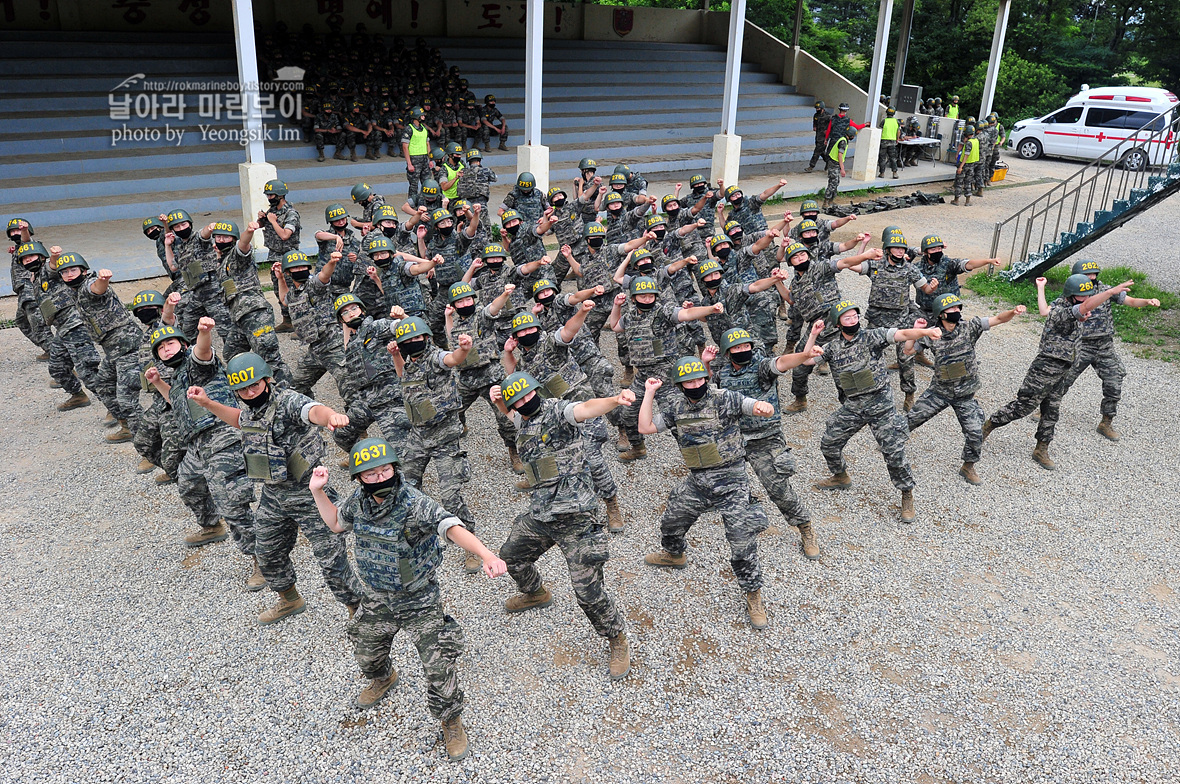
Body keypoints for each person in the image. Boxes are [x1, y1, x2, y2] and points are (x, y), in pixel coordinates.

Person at [309, 439, 507, 762]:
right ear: (359, 478)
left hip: (419, 600)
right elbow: (334, 523)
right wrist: (318, 490)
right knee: (366, 652)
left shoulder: (414, 503)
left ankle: (451, 720)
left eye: (385, 470)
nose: (380, 478)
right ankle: (384, 677)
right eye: (370, 474)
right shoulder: (358, 503)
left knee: (439, 665)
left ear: (395, 468)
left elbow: (450, 526)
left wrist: (484, 553)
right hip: (377, 598)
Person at [187, 352, 363, 626]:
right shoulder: (250, 410)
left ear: (267, 380)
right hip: (274, 496)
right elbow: (239, 420)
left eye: (254, 385)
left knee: (331, 558)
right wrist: (208, 403)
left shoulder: (288, 401)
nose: (249, 392)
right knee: (267, 552)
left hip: (310, 494)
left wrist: (330, 416)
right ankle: (290, 599)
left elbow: (313, 410)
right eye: (243, 389)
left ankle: (357, 609)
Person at [489, 372, 633, 681]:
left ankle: (616, 638)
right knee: (511, 556)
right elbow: (513, 416)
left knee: (588, 593)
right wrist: (501, 402)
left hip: (577, 518)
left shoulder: (558, 411)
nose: (526, 402)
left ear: (536, 391)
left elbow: (584, 409)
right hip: (542, 515)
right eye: (519, 401)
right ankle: (535, 592)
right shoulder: (523, 422)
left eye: (528, 395)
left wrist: (613, 400)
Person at [639, 358, 777, 629]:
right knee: (671, 522)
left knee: (741, 542)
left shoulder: (724, 398)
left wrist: (762, 407)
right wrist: (649, 393)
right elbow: (645, 427)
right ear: (680, 385)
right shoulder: (676, 407)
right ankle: (674, 553)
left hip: (732, 480)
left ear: (705, 377)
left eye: (699, 379)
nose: (695, 385)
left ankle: (753, 594)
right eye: (689, 382)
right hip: (699, 481)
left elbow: (753, 405)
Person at [144, 319, 258, 583]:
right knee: (188, 486)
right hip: (197, 446)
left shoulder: (197, 365)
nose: (166, 350)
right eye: (160, 348)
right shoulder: (179, 377)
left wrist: (204, 332)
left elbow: (203, 352)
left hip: (223, 439)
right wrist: (160, 382)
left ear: (183, 344)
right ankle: (211, 526)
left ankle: (261, 560)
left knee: (232, 502)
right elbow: (177, 401)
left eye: (170, 343)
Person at [983, 274, 1135, 469]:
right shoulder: (1061, 310)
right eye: (1083, 296)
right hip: (1045, 369)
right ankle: (986, 427)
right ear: (1071, 296)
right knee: (1022, 407)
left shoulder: (1074, 307)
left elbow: (1083, 308)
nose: (1087, 300)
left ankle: (1041, 449)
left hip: (1064, 368)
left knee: (1051, 412)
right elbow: (1082, 308)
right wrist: (1110, 292)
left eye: (1089, 295)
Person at [812, 300, 942, 523]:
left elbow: (900, 334)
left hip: (880, 405)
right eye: (847, 317)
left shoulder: (872, 336)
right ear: (838, 323)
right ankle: (840, 476)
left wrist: (925, 330)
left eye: (855, 316)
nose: (853, 320)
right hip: (853, 406)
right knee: (829, 443)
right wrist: (813, 336)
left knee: (893, 451)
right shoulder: (833, 348)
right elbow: (807, 359)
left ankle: (906, 493)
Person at [707, 327, 826, 559]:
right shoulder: (723, 374)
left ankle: (805, 528)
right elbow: (709, 393)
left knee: (778, 489)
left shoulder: (761, 367)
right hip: (734, 439)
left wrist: (804, 355)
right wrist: (705, 363)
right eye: (737, 348)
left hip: (765, 440)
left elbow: (781, 362)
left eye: (746, 346)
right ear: (727, 352)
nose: (743, 351)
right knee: (717, 480)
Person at [386, 316, 481, 573]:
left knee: (450, 496)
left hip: (445, 437)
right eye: (408, 340)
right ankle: (413, 534)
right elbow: (402, 375)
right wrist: (396, 356)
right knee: (405, 486)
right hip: (419, 436)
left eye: (418, 338)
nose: (415, 343)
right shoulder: (411, 363)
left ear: (427, 338)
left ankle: (470, 545)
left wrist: (463, 349)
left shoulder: (434, 357)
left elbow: (451, 360)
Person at [904, 295, 1026, 485]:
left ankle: (968, 466)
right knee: (912, 419)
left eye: (957, 309)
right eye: (952, 310)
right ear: (941, 314)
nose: (957, 312)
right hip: (939, 392)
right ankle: (891, 442)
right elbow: (908, 351)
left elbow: (999, 319)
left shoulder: (969, 328)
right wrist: (917, 331)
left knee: (975, 432)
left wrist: (1013, 311)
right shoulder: (933, 334)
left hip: (964, 395)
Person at [1038, 260, 1160, 442]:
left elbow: (1131, 301)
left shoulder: (1105, 289)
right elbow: (1047, 311)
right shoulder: (1072, 295)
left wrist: (1147, 301)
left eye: (1094, 274)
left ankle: (1106, 422)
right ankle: (1044, 412)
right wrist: (1041, 289)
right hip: (1081, 345)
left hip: (1104, 345)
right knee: (1063, 380)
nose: (1092, 278)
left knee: (1114, 382)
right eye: (1088, 275)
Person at [607, 276, 721, 460]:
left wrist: (710, 309)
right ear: (634, 297)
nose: (647, 299)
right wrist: (616, 305)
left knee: (678, 418)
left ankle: (699, 456)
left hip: (666, 374)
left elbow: (685, 314)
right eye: (642, 296)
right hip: (643, 375)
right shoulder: (629, 317)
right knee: (628, 412)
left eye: (650, 295)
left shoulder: (663, 312)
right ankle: (638, 448)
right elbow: (614, 326)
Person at [56, 253, 143, 443]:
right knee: (102, 384)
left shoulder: (88, 285)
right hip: (113, 351)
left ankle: (147, 444)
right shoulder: (74, 289)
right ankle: (127, 427)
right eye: (64, 272)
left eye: (73, 270)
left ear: (84, 271)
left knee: (127, 399)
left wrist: (104, 279)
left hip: (128, 347)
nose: (69, 275)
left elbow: (97, 289)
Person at [860, 228, 938, 411]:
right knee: (868, 356)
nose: (900, 251)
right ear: (888, 249)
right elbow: (854, 265)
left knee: (905, 359)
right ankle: (867, 392)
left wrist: (932, 287)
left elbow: (925, 289)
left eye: (902, 248)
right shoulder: (876, 265)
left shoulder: (910, 269)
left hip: (901, 320)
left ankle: (909, 394)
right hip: (876, 320)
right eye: (895, 248)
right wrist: (864, 247)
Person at [206, 220, 290, 385]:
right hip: (240, 319)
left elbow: (243, 244)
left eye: (226, 237)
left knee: (271, 358)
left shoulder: (237, 256)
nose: (221, 241)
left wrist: (249, 231)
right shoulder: (223, 262)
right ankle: (249, 387)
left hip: (255, 314)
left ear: (233, 239)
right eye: (218, 237)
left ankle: (294, 395)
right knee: (231, 354)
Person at [258, 179, 301, 333]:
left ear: (281, 195)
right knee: (278, 290)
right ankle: (287, 320)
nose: (269, 198)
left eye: (272, 195)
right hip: (274, 256)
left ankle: (299, 324)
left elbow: (285, 235)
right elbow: (263, 226)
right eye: (268, 195)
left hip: (289, 258)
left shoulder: (291, 213)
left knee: (292, 290)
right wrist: (263, 219)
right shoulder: (272, 211)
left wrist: (273, 221)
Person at [400, 106, 431, 197]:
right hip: (414, 159)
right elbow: (405, 147)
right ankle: (412, 205)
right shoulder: (409, 129)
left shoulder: (424, 128)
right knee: (413, 186)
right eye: (421, 115)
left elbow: (427, 144)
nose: (423, 117)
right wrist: (409, 163)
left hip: (425, 159)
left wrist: (430, 159)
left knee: (427, 183)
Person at [824, 127, 856, 212]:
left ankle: (831, 201)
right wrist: (842, 169)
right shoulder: (843, 142)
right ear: (851, 135)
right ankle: (826, 202)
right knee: (833, 183)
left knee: (836, 182)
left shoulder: (843, 139)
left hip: (834, 163)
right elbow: (840, 155)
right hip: (834, 163)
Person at [953, 124, 980, 206]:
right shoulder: (976, 141)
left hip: (965, 165)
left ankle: (956, 200)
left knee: (959, 182)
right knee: (968, 182)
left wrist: (960, 167)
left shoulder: (969, 143)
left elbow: (966, 155)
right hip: (972, 165)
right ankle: (967, 201)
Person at [804, 100, 831, 173]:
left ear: (822, 108)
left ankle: (811, 166)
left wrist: (828, 133)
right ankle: (829, 162)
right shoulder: (816, 115)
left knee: (816, 151)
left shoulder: (828, 116)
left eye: (818, 108)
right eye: (816, 108)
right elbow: (814, 123)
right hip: (818, 136)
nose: (817, 110)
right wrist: (814, 127)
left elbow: (832, 126)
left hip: (824, 137)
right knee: (821, 151)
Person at [877, 106, 901, 179]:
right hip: (892, 141)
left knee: (882, 158)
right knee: (893, 158)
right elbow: (898, 131)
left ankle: (882, 173)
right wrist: (897, 139)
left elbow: (880, 130)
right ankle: (895, 173)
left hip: (883, 141)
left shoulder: (884, 121)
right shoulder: (897, 121)